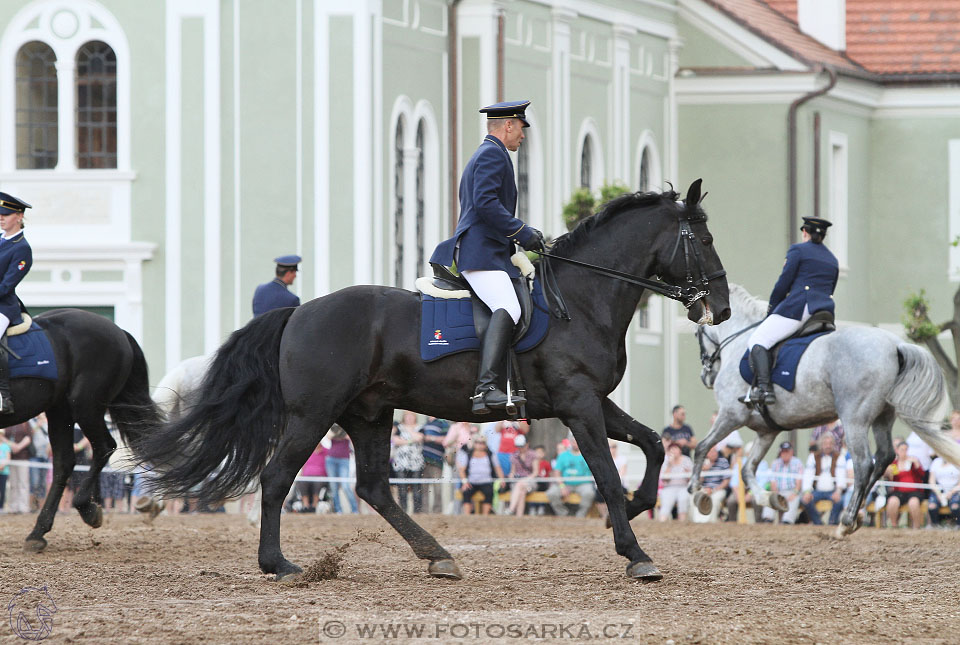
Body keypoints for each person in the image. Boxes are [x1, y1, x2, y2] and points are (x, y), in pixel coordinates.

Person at [429, 100, 544, 415]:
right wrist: (522, 232)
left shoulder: (488, 154)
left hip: (488, 252)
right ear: (508, 125)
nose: (523, 135)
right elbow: (485, 202)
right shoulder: (493, 154)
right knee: (509, 306)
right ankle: (486, 388)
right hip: (481, 254)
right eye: (521, 128)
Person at [745, 217, 838, 405]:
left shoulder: (798, 250)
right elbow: (831, 288)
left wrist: (772, 309)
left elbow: (783, 283)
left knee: (758, 340)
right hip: (825, 312)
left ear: (805, 232)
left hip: (800, 308)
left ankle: (764, 389)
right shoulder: (833, 259)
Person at [0, 192, 33, 413]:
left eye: (6, 214)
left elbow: (6, 286)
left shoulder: (22, 248)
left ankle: (4, 395)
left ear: (19, 216)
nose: (1, 218)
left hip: (3, 306)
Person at [800, 433, 847, 525]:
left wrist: (838, 491)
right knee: (805, 500)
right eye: (825, 443)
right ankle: (818, 523)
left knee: (840, 500)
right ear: (821, 444)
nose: (828, 446)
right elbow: (808, 476)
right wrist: (807, 492)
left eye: (830, 443)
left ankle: (832, 522)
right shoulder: (813, 457)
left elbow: (841, 477)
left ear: (833, 445)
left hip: (832, 491)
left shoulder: (839, 457)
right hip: (817, 491)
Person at [546, 438, 595, 517]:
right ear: (570, 443)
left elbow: (594, 471)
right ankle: (563, 514)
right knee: (551, 493)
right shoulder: (563, 455)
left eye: (577, 441)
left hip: (583, 483)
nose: (575, 444)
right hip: (565, 483)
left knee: (589, 493)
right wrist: (562, 486)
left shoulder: (588, 455)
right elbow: (557, 472)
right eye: (573, 442)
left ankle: (580, 516)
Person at [884, 439, 925, 529]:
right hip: (899, 491)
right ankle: (894, 526)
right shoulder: (893, 464)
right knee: (892, 502)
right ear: (897, 451)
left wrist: (917, 464)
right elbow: (887, 477)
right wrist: (887, 472)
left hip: (914, 491)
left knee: (913, 503)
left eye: (906, 449)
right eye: (902, 449)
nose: (905, 452)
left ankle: (916, 527)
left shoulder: (913, 462)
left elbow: (922, 475)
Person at [457, 436, 504, 515]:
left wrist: (502, 480)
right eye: (478, 442)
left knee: (489, 492)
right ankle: (467, 516)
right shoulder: (468, 455)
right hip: (471, 482)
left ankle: (485, 516)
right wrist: (465, 482)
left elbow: (498, 468)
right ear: (474, 444)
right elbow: (462, 470)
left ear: (485, 444)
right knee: (466, 492)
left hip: (486, 482)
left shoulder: (490, 455)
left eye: (482, 443)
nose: (480, 445)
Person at [762, 441, 804, 523]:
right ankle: (767, 519)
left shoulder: (797, 463)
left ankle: (787, 522)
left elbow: (799, 483)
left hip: (792, 491)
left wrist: (794, 493)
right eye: (783, 451)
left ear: (791, 452)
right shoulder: (775, 463)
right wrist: (777, 495)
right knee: (771, 497)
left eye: (787, 451)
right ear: (780, 452)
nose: (785, 454)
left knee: (793, 500)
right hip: (778, 491)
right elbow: (773, 482)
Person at [391, 411, 424, 513]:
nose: (409, 418)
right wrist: (411, 440)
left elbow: (420, 437)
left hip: (416, 462)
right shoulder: (398, 428)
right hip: (401, 462)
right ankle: (403, 510)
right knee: (402, 488)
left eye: (411, 416)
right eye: (407, 416)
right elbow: (395, 440)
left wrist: (408, 433)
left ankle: (417, 511)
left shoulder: (420, 427)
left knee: (416, 487)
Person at [691, 446, 729, 523]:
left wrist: (714, 490)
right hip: (704, 488)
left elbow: (726, 481)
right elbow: (698, 481)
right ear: (707, 454)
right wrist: (703, 471)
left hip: (718, 489)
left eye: (714, 452)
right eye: (711, 452)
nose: (713, 454)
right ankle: (697, 521)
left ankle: (712, 521)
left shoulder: (723, 462)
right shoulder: (703, 463)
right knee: (694, 497)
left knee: (715, 499)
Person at [325, 425, 358, 514]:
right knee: (333, 487)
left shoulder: (348, 429)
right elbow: (328, 436)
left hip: (344, 460)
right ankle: (338, 510)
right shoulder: (333, 428)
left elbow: (350, 437)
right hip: (331, 460)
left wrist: (340, 434)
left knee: (345, 486)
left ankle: (355, 510)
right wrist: (339, 433)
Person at [419, 416, 449, 514]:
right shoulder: (425, 424)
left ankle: (437, 511)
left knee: (437, 488)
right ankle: (424, 511)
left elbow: (446, 439)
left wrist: (430, 438)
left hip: (437, 461)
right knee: (424, 489)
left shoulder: (442, 423)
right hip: (423, 460)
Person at [658, 443, 693, 522]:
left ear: (680, 450)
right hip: (669, 487)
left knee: (683, 499)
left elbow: (691, 477)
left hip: (683, 486)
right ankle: (662, 521)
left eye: (676, 448)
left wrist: (687, 473)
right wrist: (670, 465)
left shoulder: (686, 459)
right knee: (666, 502)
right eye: (672, 449)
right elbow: (664, 479)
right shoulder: (666, 461)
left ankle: (682, 521)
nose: (674, 451)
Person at [506, 434, 537, 516]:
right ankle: (519, 516)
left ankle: (511, 509)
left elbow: (535, 472)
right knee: (522, 492)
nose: (520, 448)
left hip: (530, 481)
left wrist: (526, 479)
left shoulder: (533, 454)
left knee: (520, 484)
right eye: (518, 446)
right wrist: (511, 475)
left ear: (527, 444)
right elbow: (513, 471)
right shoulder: (514, 456)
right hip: (518, 482)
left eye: (522, 446)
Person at [4, 423, 31, 513]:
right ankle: (13, 507)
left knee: (23, 483)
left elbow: (29, 437)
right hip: (11, 458)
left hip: (23, 457)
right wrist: (11, 444)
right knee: (13, 484)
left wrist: (18, 447)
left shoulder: (26, 423)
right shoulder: (7, 423)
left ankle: (23, 507)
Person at [927, 453, 960, 527]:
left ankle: (957, 525)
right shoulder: (936, 462)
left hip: (955, 490)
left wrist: (951, 492)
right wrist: (938, 493)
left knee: (955, 506)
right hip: (938, 490)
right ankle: (935, 525)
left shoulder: (957, 462)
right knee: (932, 506)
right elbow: (931, 481)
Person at [298, 440, 329, 513]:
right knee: (301, 483)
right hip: (307, 476)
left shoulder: (326, 451)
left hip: (320, 476)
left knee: (317, 483)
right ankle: (306, 506)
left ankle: (314, 506)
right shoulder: (307, 451)